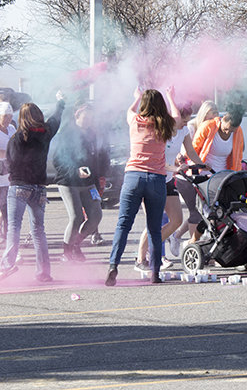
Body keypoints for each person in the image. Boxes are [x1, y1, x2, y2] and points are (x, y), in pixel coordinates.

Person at [105, 86, 179, 286]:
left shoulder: (135, 121)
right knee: (154, 229)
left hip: (133, 177)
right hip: (156, 180)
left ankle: (113, 265)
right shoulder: (165, 124)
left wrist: (136, 98)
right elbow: (177, 117)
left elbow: (128, 111)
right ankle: (155, 273)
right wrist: (171, 98)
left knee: (123, 224)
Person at [0, 92, 67, 282]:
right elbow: (56, 118)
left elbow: (9, 163)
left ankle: (7, 265)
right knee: (39, 230)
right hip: (39, 188)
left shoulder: (17, 137)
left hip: (19, 186)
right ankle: (44, 272)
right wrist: (60, 101)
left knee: (14, 227)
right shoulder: (46, 134)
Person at [135, 103, 203, 271]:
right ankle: (140, 259)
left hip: (168, 180)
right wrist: (175, 168)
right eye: (184, 121)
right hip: (152, 178)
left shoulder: (184, 131)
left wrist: (202, 164)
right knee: (154, 223)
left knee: (177, 220)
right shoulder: (160, 131)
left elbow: (191, 151)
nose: (186, 124)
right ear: (175, 116)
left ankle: (153, 249)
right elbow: (156, 160)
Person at [53, 103, 109, 264]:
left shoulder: (92, 134)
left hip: (89, 182)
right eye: (85, 118)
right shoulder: (67, 134)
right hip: (69, 181)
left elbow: (95, 159)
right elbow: (58, 160)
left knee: (96, 216)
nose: (88, 121)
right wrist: (75, 171)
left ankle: (76, 244)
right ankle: (66, 251)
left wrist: (98, 181)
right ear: (77, 116)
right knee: (76, 217)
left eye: (91, 118)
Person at [169, 100, 219, 254]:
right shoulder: (190, 127)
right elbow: (186, 151)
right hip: (185, 176)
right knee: (195, 212)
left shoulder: (211, 129)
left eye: (213, 119)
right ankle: (194, 248)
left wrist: (203, 165)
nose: (210, 122)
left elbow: (196, 152)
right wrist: (182, 159)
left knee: (199, 212)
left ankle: (176, 236)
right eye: (208, 119)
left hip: (200, 174)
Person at [192, 102, 245, 173]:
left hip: (224, 175)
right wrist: (196, 168)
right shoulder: (207, 126)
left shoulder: (238, 131)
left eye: (231, 131)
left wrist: (236, 174)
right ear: (222, 119)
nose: (227, 132)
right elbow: (194, 149)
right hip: (204, 173)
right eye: (226, 129)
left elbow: (238, 156)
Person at [0, 102, 17, 244]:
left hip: (9, 175)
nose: (7, 119)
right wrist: (11, 154)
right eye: (4, 116)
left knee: (7, 209)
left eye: (10, 116)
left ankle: (7, 235)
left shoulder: (12, 128)